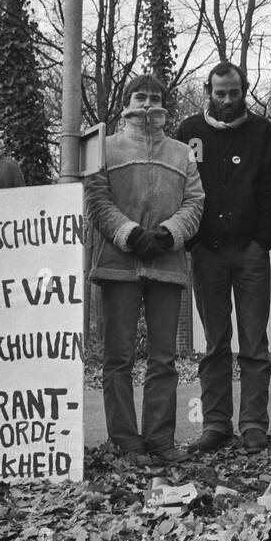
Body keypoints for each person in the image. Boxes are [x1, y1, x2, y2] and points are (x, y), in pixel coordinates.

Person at [86, 75, 203, 465]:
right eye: (141, 95)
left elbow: (195, 202)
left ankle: (160, 440)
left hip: (166, 264)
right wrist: (130, 233)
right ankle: (125, 441)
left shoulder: (182, 152)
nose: (149, 101)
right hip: (118, 264)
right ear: (127, 101)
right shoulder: (104, 148)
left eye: (156, 96)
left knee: (163, 358)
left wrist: (169, 235)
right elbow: (95, 198)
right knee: (117, 358)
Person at [176, 63, 271, 455]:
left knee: (254, 341)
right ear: (208, 90)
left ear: (244, 90)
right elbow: (178, 185)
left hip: (250, 252)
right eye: (219, 93)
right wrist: (192, 240)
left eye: (233, 92)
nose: (226, 100)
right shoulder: (189, 132)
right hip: (207, 253)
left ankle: (254, 424)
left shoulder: (261, 131)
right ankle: (216, 424)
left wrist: (262, 238)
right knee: (215, 343)